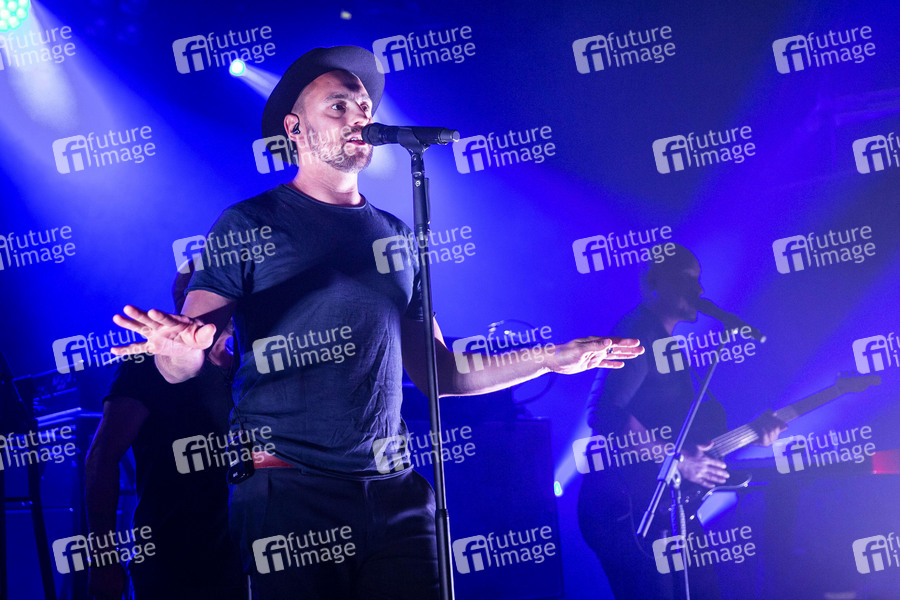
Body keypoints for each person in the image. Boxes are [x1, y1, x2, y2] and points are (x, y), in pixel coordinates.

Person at [110, 46, 644, 600]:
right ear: (294, 128)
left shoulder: (396, 234)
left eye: (364, 106)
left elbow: (442, 373)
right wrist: (179, 349)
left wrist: (550, 358)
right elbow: (183, 358)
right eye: (338, 106)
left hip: (395, 492)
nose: (359, 116)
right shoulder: (249, 222)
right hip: (290, 490)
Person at [576, 244, 785, 600]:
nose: (699, 290)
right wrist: (681, 459)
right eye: (687, 279)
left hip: (664, 505)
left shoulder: (665, 343)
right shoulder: (637, 334)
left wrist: (753, 433)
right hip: (624, 508)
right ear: (655, 283)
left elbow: (690, 437)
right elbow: (604, 414)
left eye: (699, 280)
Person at [85, 269, 243, 600]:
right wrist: (103, 559)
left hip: (244, 557)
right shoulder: (147, 364)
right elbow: (102, 458)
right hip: (172, 559)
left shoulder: (249, 366)